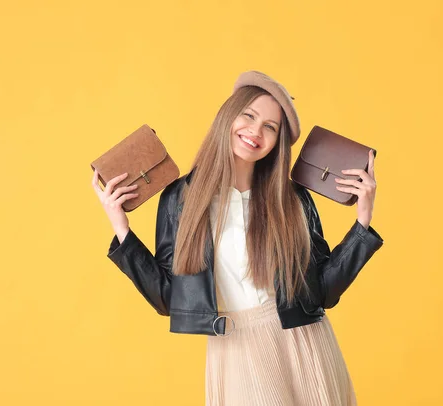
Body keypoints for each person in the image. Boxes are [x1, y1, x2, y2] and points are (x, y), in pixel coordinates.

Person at [91, 70, 384, 406]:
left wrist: (363, 222)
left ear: (278, 143)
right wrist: (122, 229)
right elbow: (168, 299)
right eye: (249, 115)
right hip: (235, 348)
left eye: (270, 127)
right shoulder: (180, 199)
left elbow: (322, 292)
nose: (255, 132)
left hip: (306, 342)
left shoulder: (292, 199)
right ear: (228, 116)